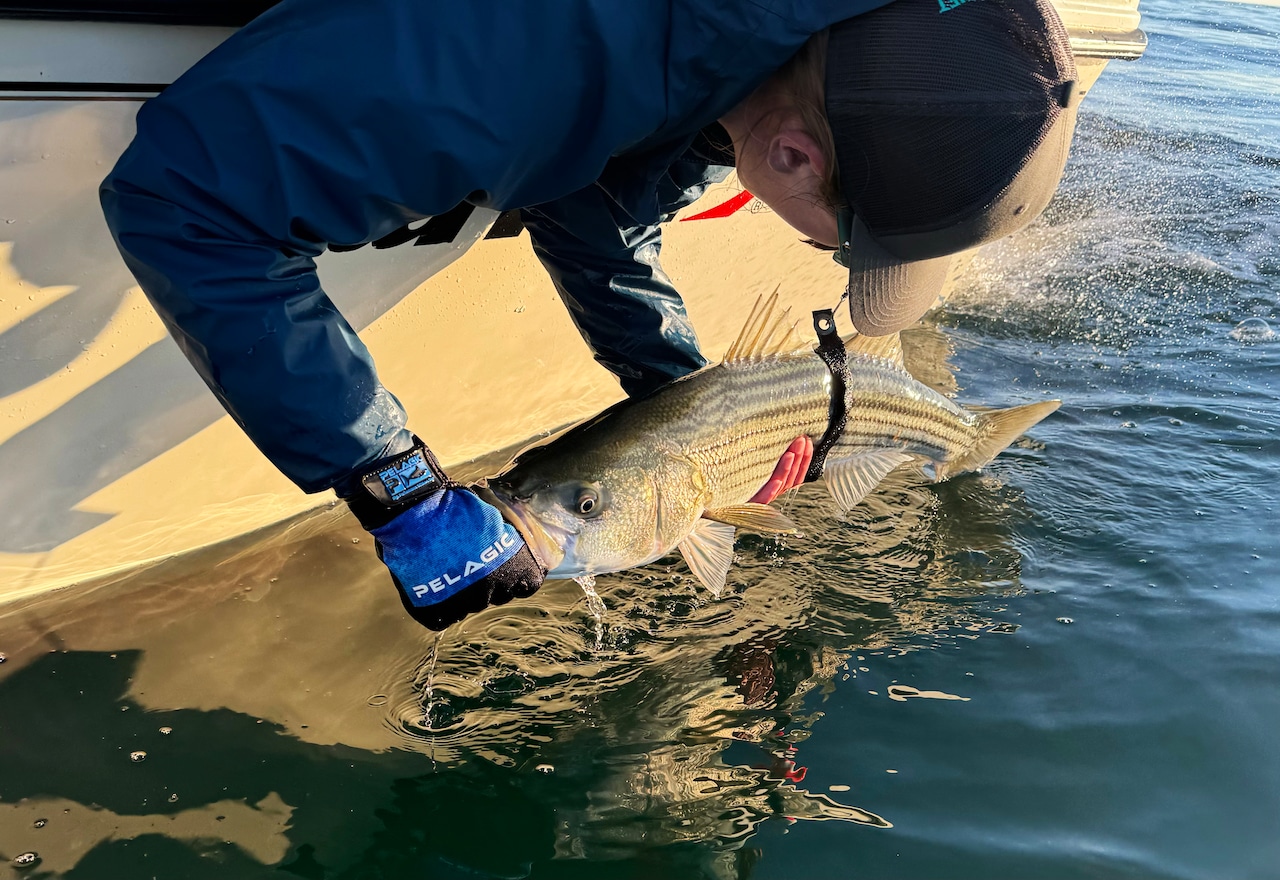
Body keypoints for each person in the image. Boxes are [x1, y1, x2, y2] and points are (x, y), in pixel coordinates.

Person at [100, 0, 1081, 630]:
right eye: (839, 241)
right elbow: (184, 199)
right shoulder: (530, 57)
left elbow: (593, 192)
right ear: (792, 158)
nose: (826, 254)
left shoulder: (748, 49)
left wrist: (688, 407)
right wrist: (397, 490)